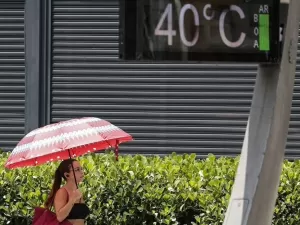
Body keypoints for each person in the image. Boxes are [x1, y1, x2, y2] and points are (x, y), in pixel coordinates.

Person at [45, 158, 90, 225]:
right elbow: (60, 217)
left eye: (81, 168)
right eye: (77, 169)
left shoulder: (78, 192)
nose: (81, 172)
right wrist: (72, 200)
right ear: (67, 175)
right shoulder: (62, 192)